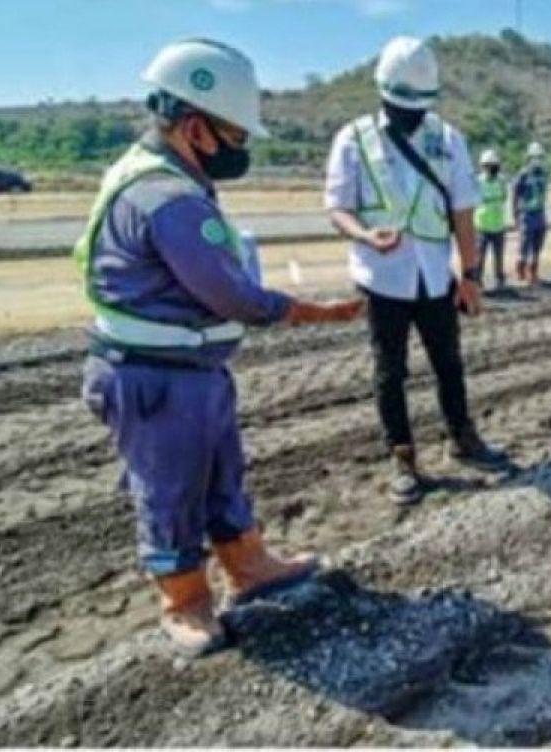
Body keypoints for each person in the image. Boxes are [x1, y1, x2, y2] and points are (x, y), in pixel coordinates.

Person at [77, 38, 364, 657]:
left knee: (221, 475)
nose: (241, 144)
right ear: (193, 127)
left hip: (191, 369)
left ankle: (249, 566)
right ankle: (184, 600)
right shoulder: (168, 199)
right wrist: (311, 310)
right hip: (155, 378)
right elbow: (230, 294)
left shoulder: (166, 180)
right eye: (234, 130)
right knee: (171, 489)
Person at [324, 36, 506, 507]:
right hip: (382, 278)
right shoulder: (354, 138)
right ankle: (401, 457)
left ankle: (462, 437)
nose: (410, 114)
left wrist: (470, 275)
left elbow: (462, 212)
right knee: (390, 371)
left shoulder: (448, 139)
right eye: (402, 105)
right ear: (383, 92)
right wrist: (365, 236)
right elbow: (338, 208)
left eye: (418, 106)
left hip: (434, 275)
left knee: (449, 362)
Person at [513, 141, 550, 284]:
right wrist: (516, 214)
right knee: (524, 244)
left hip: (539, 213)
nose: (538, 160)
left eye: (540, 157)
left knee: (537, 244)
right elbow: (515, 195)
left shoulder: (544, 174)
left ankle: (533, 273)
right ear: (528, 158)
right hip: (526, 214)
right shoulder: (523, 174)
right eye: (535, 157)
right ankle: (521, 273)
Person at [474, 148, 508, 288]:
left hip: (498, 224)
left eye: (494, 164)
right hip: (482, 226)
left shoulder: (501, 181)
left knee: (499, 255)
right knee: (479, 256)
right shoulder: (477, 182)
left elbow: (504, 197)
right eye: (489, 165)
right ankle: (477, 281)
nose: (492, 167)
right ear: (483, 166)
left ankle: (500, 279)